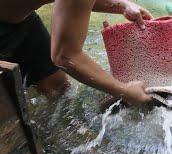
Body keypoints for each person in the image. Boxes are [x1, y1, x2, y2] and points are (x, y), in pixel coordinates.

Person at [0, 0, 153, 105]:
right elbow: (65, 56)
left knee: (58, 89)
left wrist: (121, 5)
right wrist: (124, 90)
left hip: (21, 20)